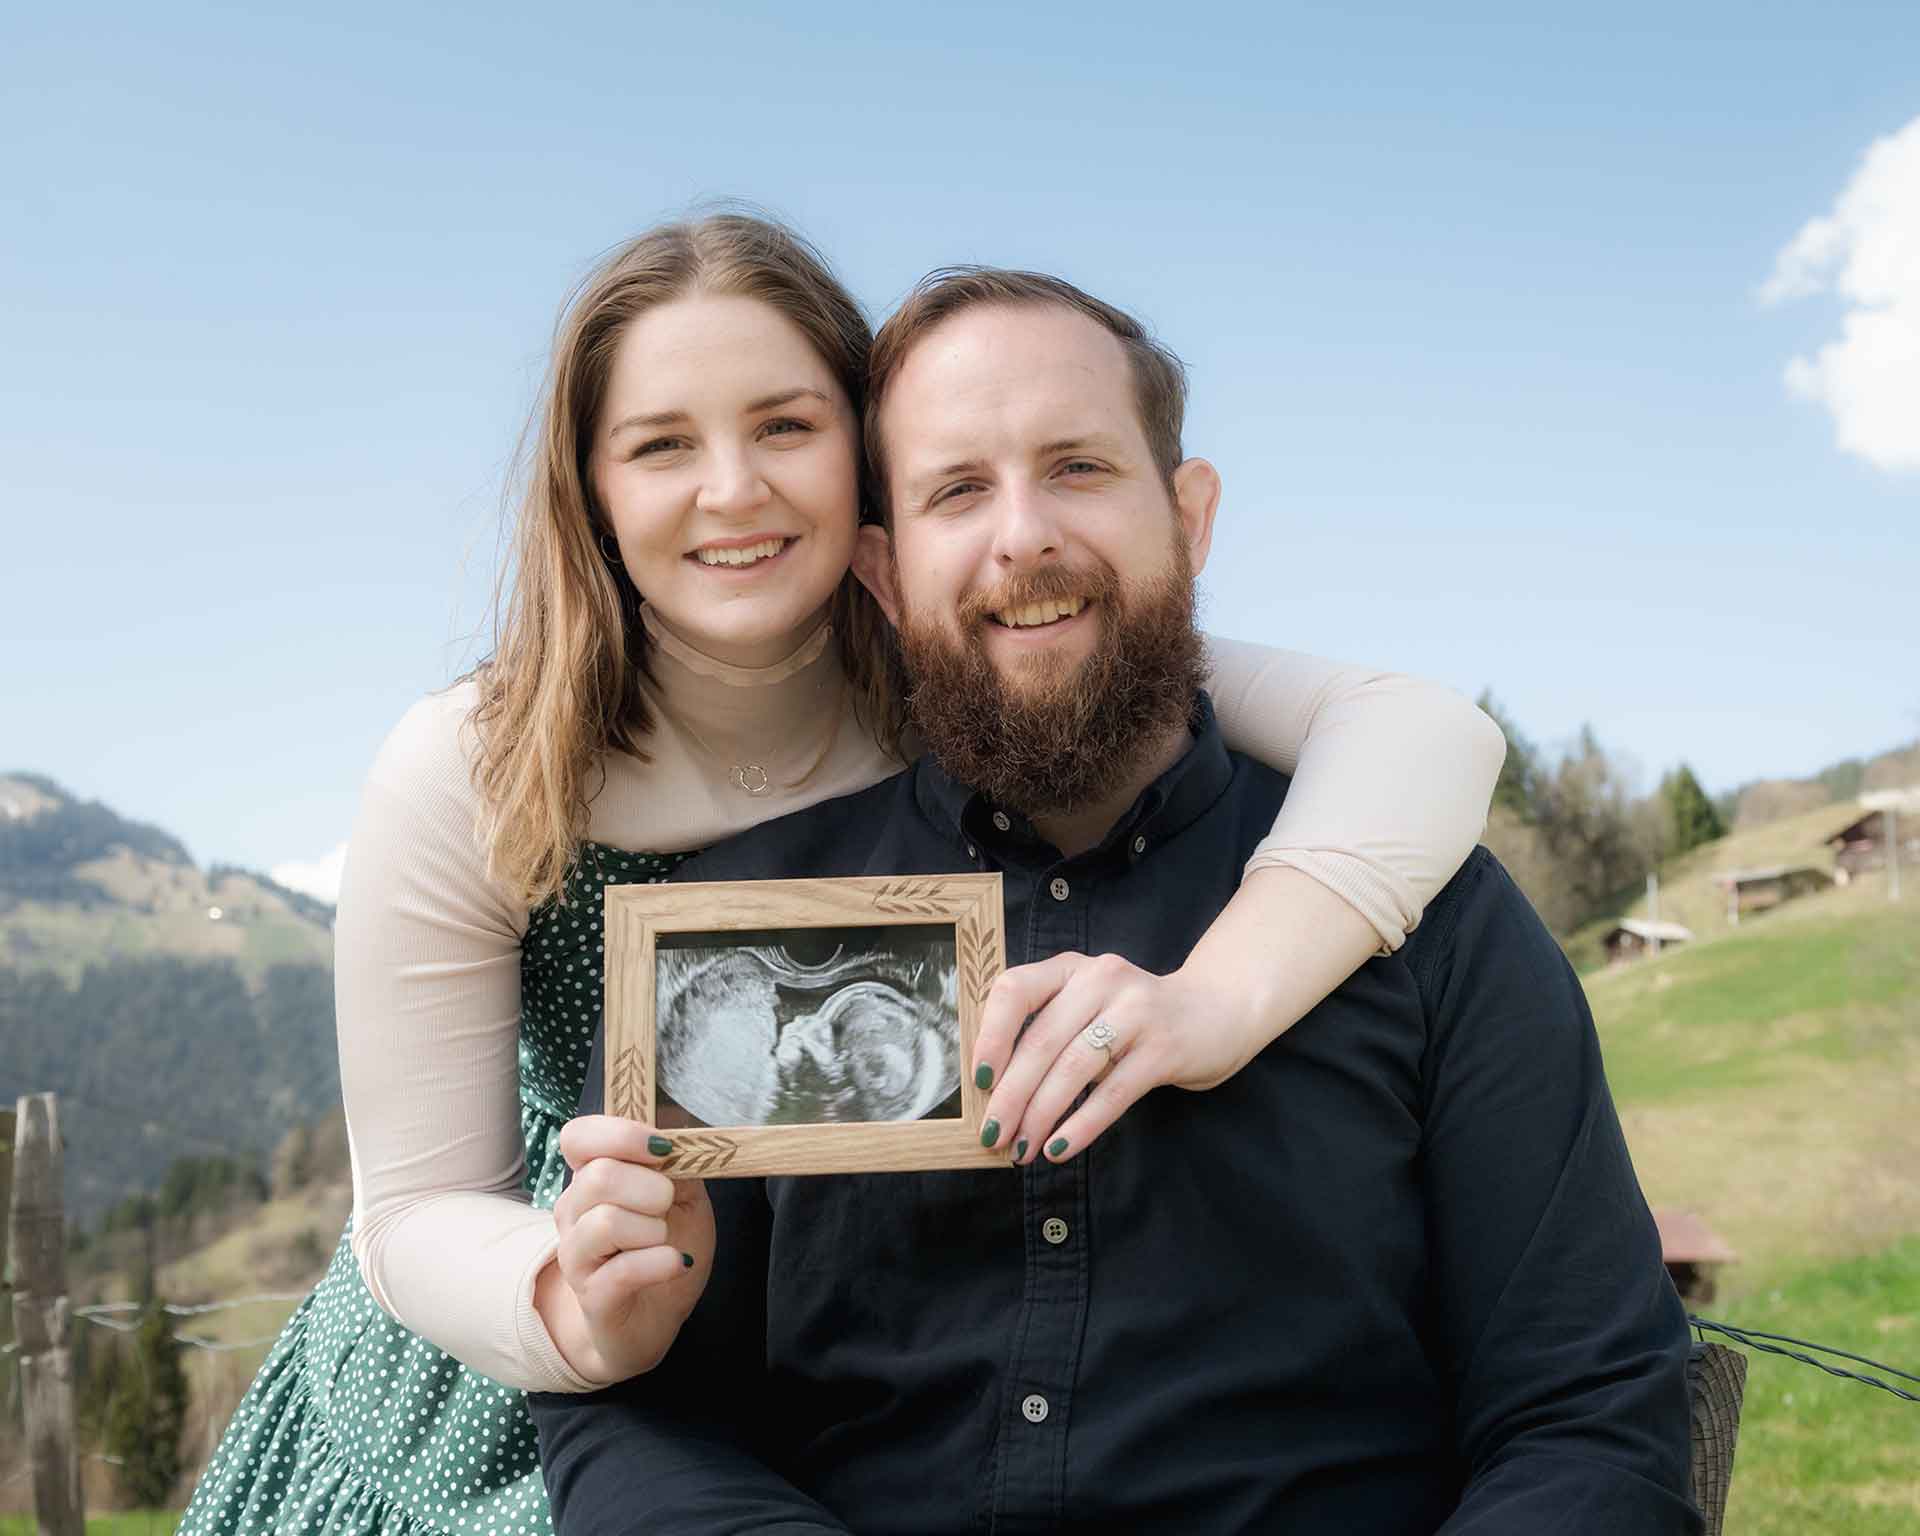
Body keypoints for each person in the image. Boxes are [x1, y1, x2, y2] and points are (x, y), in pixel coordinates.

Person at [180, 217, 1505, 1536]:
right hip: (525, 1316)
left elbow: (1421, 732)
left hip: (788, 1327)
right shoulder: (478, 761)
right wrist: (577, 1302)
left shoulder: (967, 679)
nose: (733, 489)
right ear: (589, 489)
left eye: (785, 427)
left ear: (865, 469)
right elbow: (415, 1210)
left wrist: (1217, 1001)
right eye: (660, 445)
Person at [528, 268, 1697, 1534]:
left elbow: (1590, 1410)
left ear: (1190, 517)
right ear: (883, 568)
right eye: (957, 490)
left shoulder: (1429, 917)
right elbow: (632, 1415)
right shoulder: (739, 930)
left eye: (1077, 467)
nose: (1021, 535)